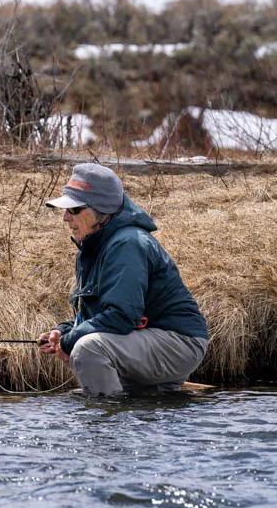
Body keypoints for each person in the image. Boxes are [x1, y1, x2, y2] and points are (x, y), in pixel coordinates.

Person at [38, 163, 209, 396]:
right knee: (78, 393)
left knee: (88, 349)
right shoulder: (94, 246)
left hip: (179, 342)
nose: (66, 218)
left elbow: (122, 315)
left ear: (101, 211)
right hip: (147, 340)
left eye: (74, 209)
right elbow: (100, 317)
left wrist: (69, 341)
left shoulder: (128, 244)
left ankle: (109, 422)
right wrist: (62, 331)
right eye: (66, 210)